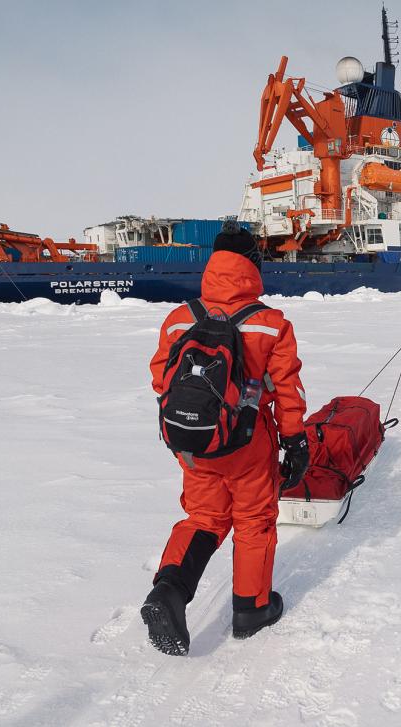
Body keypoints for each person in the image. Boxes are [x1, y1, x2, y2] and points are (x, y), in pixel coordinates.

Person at [142, 226, 309, 653]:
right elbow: (289, 391)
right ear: (253, 266)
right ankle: (252, 609)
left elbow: (161, 379)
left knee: (203, 518)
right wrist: (294, 441)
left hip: (194, 443)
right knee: (253, 521)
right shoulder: (271, 324)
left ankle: (168, 591)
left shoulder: (180, 318)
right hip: (248, 446)